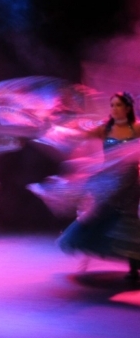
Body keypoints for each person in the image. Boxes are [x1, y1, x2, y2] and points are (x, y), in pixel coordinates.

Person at [58, 92, 140, 280]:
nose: (114, 109)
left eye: (119, 105)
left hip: (129, 181)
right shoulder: (105, 128)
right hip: (110, 180)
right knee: (103, 213)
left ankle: (134, 267)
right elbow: (79, 137)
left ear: (128, 108)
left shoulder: (136, 128)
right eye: (112, 105)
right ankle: (91, 247)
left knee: (128, 218)